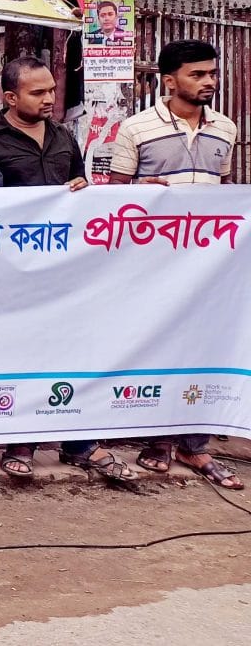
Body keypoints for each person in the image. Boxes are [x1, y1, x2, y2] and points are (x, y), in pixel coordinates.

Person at [0, 57, 140, 484]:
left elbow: (78, 187)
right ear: (10, 97)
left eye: (51, 90)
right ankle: (20, 442)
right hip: (8, 269)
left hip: (60, 269)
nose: (49, 99)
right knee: (18, 355)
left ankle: (76, 440)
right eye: (38, 92)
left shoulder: (65, 136)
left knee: (64, 351)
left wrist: (81, 193)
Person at [108, 39, 241, 490]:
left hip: (206, 265)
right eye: (197, 75)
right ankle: (157, 441)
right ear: (169, 80)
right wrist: (141, 190)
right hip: (152, 262)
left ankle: (194, 444)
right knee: (158, 344)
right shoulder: (136, 129)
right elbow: (112, 197)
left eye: (211, 74)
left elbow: (224, 195)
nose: (208, 82)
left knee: (203, 346)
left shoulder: (226, 127)